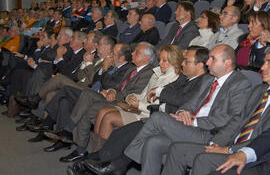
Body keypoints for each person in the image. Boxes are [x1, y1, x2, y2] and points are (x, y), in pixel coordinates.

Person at [66, 46, 210, 175]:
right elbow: (170, 97)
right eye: (183, 61)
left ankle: (103, 164)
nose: (183, 64)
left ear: (200, 65)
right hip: (156, 114)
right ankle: (96, 161)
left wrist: (159, 94)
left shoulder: (202, 81)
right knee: (119, 134)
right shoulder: (185, 79)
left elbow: (178, 100)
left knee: (131, 131)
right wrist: (153, 99)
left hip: (164, 118)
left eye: (187, 61)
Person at [125, 44, 252, 175]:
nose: (207, 62)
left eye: (212, 59)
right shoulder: (209, 79)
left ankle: (128, 158)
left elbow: (231, 118)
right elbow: (191, 103)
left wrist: (195, 121)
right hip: (191, 128)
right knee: (154, 142)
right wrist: (182, 112)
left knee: (157, 118)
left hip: (209, 133)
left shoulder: (240, 84)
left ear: (227, 63)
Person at [59, 42, 155, 163]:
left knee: (88, 107)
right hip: (115, 98)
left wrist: (114, 95)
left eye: (137, 52)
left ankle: (78, 145)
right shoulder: (133, 69)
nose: (132, 53)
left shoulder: (149, 73)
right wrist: (111, 91)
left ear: (146, 57)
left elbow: (134, 93)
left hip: (123, 105)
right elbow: (119, 86)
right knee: (87, 95)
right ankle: (77, 143)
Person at [93, 44, 182, 141]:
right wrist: (130, 96)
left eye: (164, 61)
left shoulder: (174, 80)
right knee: (102, 112)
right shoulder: (157, 74)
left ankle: (101, 151)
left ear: (174, 61)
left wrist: (139, 105)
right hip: (137, 109)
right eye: (160, 60)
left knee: (108, 117)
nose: (160, 63)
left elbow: (158, 108)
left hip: (146, 116)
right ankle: (95, 149)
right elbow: (143, 94)